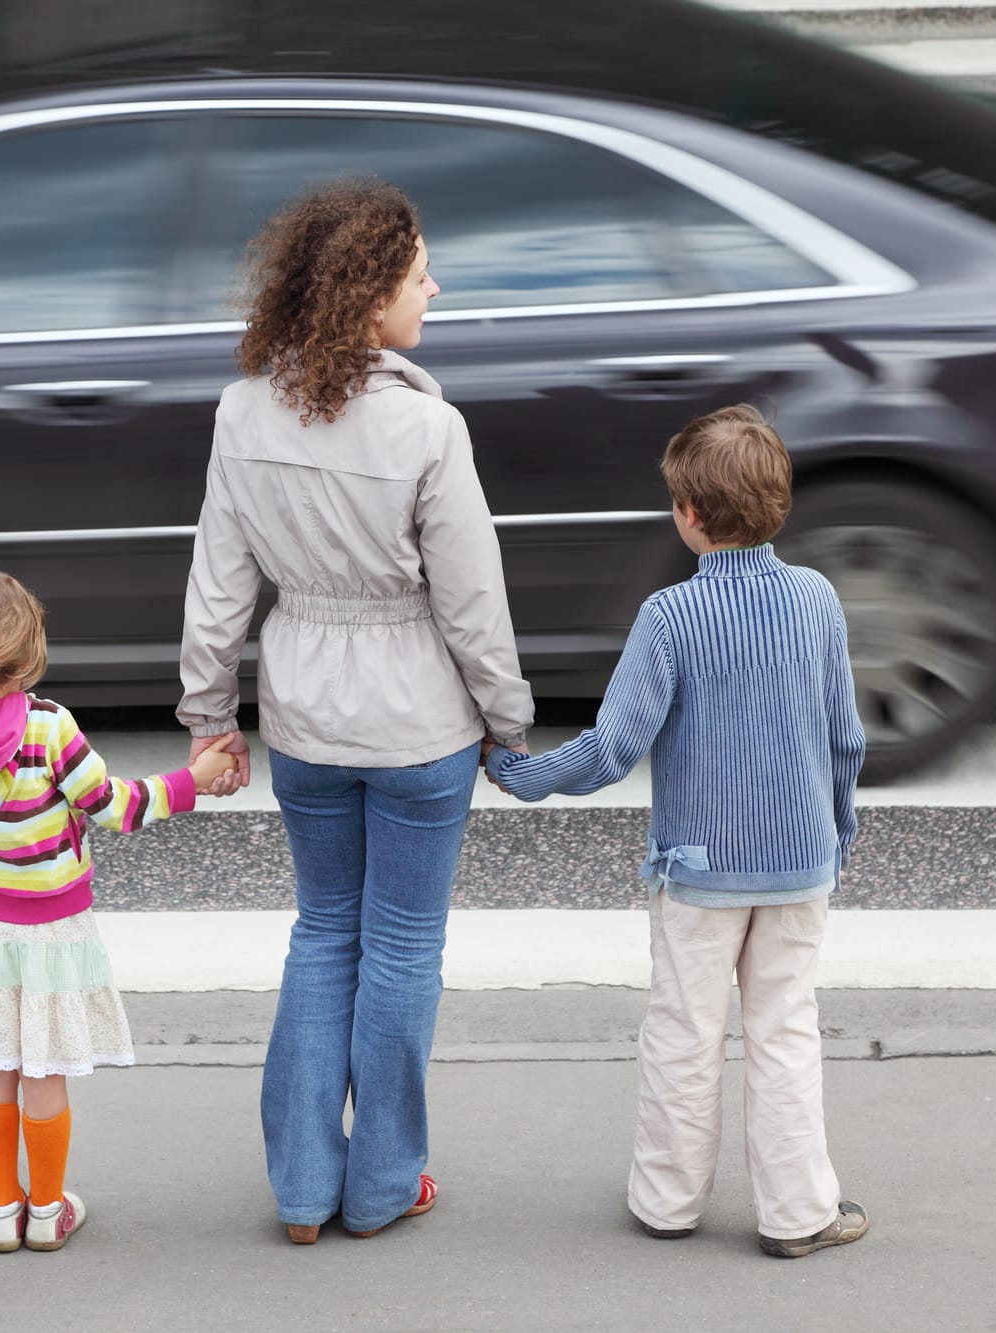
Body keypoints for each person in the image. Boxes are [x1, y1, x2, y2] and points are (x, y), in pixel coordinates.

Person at [177, 181, 534, 1244]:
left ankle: (298, 1186)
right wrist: (505, 723)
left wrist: (209, 714)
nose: (434, 286)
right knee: (403, 947)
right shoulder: (429, 427)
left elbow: (217, 583)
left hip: (305, 721)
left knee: (322, 931)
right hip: (418, 722)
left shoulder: (243, 409)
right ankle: (383, 1182)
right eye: (418, 270)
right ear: (370, 292)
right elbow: (471, 603)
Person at [484, 405, 871, 1258]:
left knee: (684, 1031)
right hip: (801, 863)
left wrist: (520, 774)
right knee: (786, 1031)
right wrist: (835, 836)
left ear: (691, 515)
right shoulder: (817, 599)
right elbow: (847, 735)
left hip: (698, 872)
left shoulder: (671, 618)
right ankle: (800, 1212)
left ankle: (667, 1202)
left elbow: (615, 746)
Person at [0, 556, 238, 1254]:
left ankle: (1, 1208)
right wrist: (192, 780)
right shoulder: (50, 728)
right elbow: (113, 806)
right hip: (50, 930)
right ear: (29, 652)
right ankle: (48, 1209)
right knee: (44, 1066)